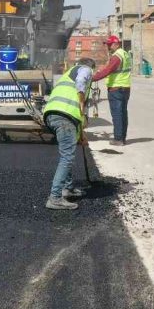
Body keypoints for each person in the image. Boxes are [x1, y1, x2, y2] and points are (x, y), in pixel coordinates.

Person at [42, 57, 96, 210]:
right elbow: (81, 82)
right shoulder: (85, 69)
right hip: (64, 117)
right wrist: (81, 97)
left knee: (67, 154)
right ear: (92, 67)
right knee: (67, 157)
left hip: (53, 115)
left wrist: (81, 136)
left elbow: (75, 117)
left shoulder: (68, 73)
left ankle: (68, 188)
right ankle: (55, 198)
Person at [92, 36, 132, 146]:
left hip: (116, 89)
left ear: (117, 44)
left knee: (117, 114)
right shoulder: (125, 54)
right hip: (125, 87)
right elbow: (111, 67)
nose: (108, 46)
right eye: (108, 44)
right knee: (123, 113)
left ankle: (118, 139)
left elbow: (109, 70)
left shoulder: (116, 56)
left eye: (110, 44)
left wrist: (93, 78)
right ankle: (122, 138)